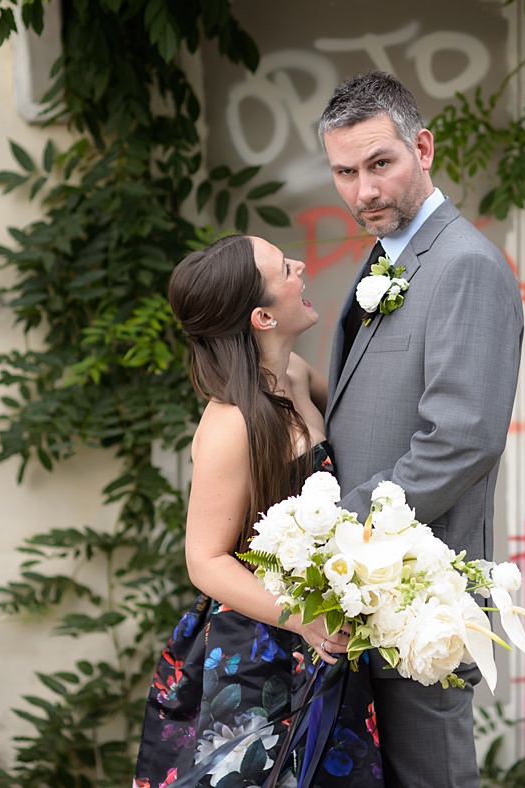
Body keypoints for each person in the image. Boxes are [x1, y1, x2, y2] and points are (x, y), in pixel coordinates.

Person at [317, 71, 524, 788]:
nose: (364, 191)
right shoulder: (387, 260)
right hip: (368, 593)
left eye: (381, 164)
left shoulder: (464, 265)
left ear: (423, 148)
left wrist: (336, 531)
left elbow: (462, 438)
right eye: (345, 172)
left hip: (419, 595)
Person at [133, 234, 383, 788]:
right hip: (260, 648)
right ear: (263, 316)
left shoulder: (292, 373)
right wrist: (307, 619)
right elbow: (206, 560)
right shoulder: (231, 422)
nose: (300, 266)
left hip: (321, 633)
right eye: (284, 268)